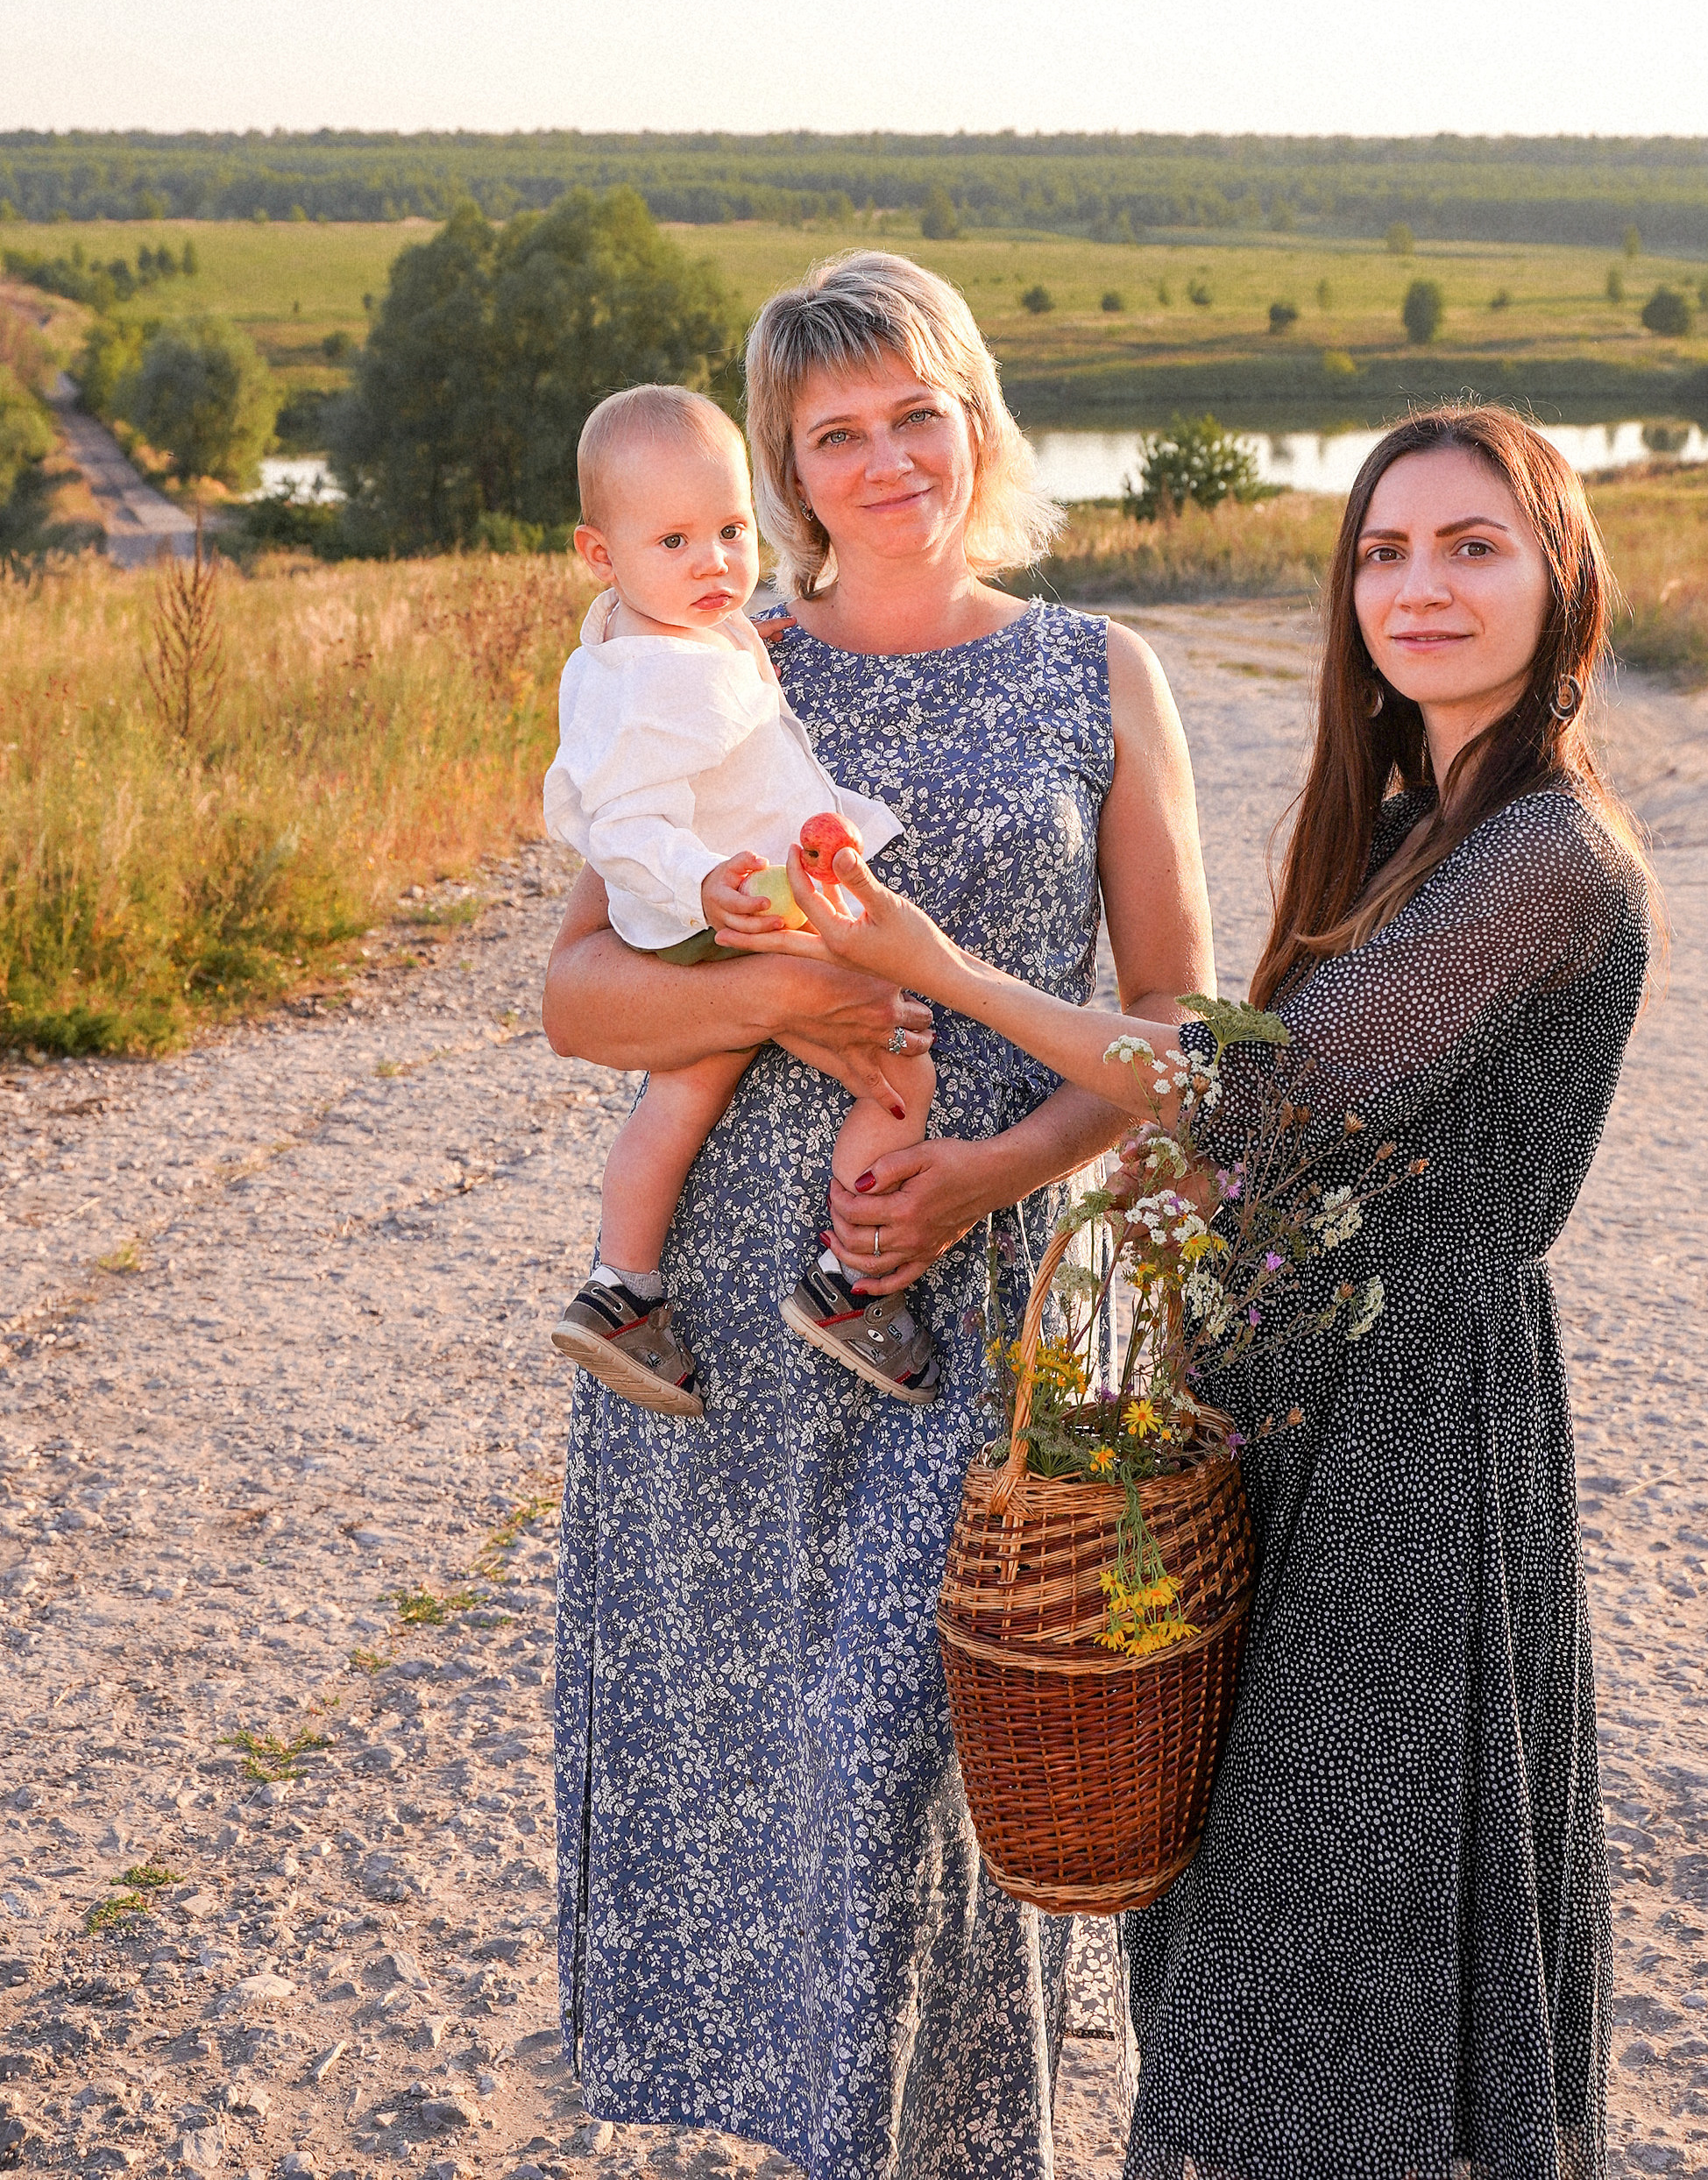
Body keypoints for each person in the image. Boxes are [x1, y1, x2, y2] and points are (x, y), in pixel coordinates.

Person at [756, 406, 1655, 2180]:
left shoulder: (1547, 855)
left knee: (1352, 1927)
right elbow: (1249, 1145)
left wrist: (931, 968)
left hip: (1412, 1443)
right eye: (1382, 553)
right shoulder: (1406, 818)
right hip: (1292, 1421)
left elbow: (1252, 1085)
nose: (1418, 587)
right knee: (1241, 1914)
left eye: (1471, 546)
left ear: (1559, 579)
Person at [542, 250, 1215, 2180]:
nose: (885, 456)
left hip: (975, 1317)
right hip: (730, 1336)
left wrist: (991, 1169)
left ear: (974, 410)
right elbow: (577, 994)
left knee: (924, 1794)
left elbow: (1168, 1019)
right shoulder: (712, 656)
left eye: (914, 409)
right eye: (832, 431)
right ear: (779, 469)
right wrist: (781, 999)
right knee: (772, 1808)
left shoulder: (1096, 669)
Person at [542, 380, 938, 1416]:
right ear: (601, 555)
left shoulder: (666, 633)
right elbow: (622, 821)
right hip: (715, 913)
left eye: (727, 529)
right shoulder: (644, 681)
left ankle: (621, 1287)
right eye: (673, 542)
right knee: (897, 1057)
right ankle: (850, 1282)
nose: (713, 561)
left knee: (686, 1084)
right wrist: (700, 886)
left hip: (715, 909)